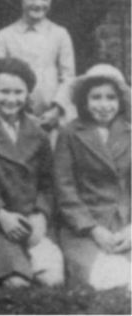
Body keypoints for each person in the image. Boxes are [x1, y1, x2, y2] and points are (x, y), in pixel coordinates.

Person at [0, 58, 63, 288]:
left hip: (31, 219)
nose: (11, 99)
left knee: (52, 280)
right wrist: (1, 214)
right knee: (17, 282)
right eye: (4, 91)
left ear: (28, 95)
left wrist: (41, 215)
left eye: (18, 92)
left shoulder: (38, 132)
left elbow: (48, 183)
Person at [53, 64, 131, 291]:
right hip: (84, 225)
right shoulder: (70, 132)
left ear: (120, 101)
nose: (104, 105)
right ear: (84, 101)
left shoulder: (129, 132)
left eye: (111, 98)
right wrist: (93, 229)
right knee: (99, 276)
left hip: (122, 222)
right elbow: (64, 188)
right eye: (96, 97)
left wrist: (130, 229)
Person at [0, 0, 75, 131]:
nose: (38, 3)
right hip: (15, 114)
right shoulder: (6, 35)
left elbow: (68, 77)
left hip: (53, 116)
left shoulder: (60, 34)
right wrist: (19, 111)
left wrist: (57, 109)